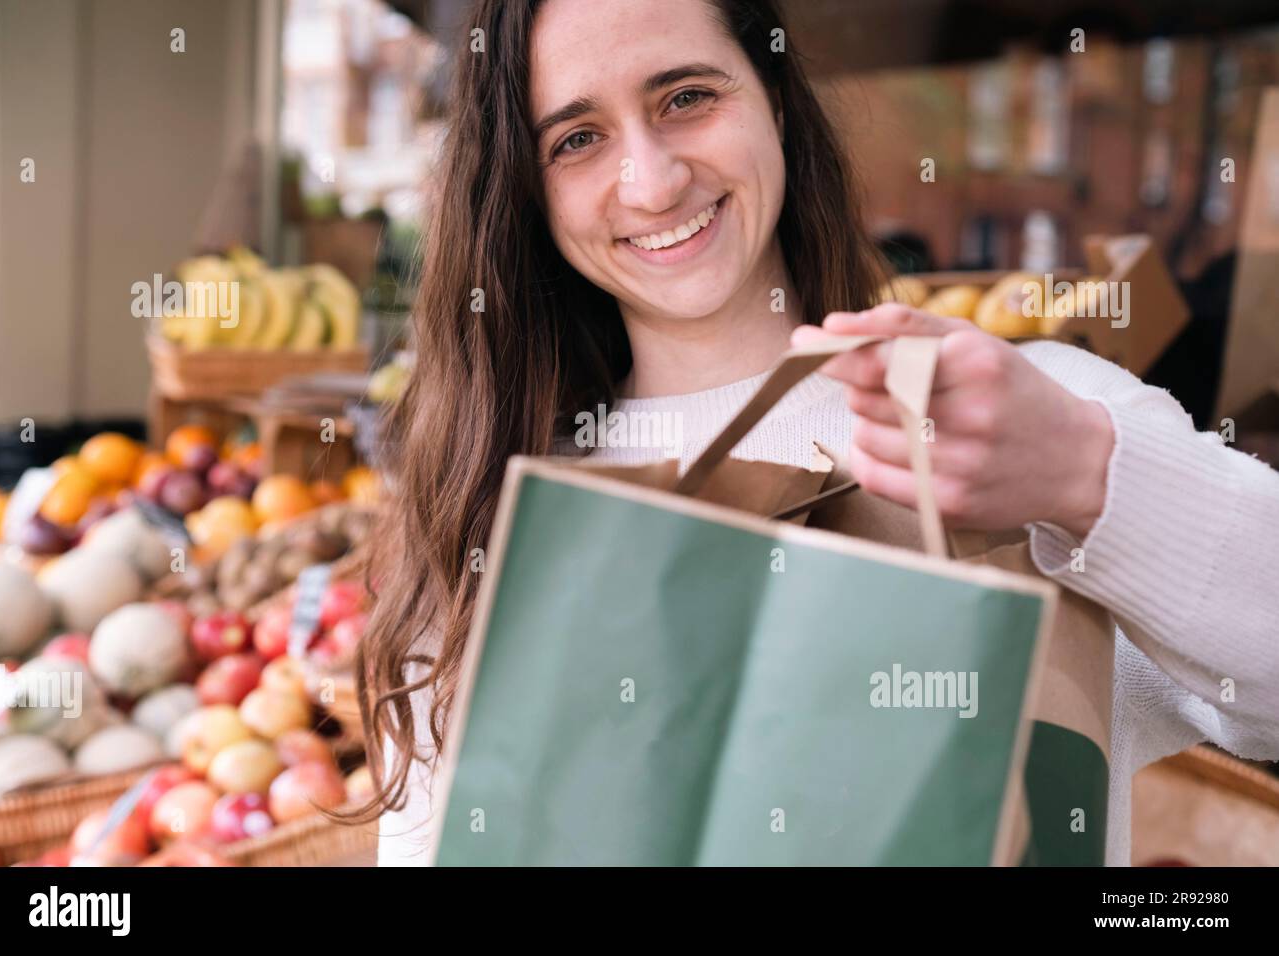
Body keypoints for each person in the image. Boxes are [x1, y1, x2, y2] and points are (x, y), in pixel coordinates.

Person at [361, 0, 1279, 866]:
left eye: (687, 97)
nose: (653, 180)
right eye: (577, 139)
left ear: (776, 106)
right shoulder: (491, 511)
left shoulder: (1010, 421)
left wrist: (1087, 477)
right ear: (528, 191)